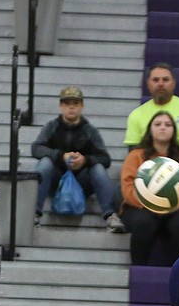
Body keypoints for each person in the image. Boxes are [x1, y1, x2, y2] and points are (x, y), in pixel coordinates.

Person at [30, 85, 125, 233]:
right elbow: (36, 149)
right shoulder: (51, 127)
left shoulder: (90, 130)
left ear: (82, 106)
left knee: (98, 168)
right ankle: (33, 214)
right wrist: (61, 156)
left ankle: (111, 216)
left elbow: (105, 159)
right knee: (45, 163)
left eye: (75, 104)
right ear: (61, 106)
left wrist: (85, 160)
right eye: (67, 104)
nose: (71, 108)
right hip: (57, 182)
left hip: (82, 182)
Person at [119, 112, 179, 267]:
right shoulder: (136, 156)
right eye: (157, 124)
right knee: (144, 222)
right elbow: (127, 186)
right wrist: (150, 202)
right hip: (140, 208)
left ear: (174, 131)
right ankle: (139, 270)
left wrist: (177, 203)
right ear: (150, 129)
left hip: (176, 209)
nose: (162, 128)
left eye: (168, 125)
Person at [124, 63, 179, 162]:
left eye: (165, 80)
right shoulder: (136, 115)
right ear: (148, 84)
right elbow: (133, 151)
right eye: (155, 80)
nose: (160, 84)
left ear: (174, 83)